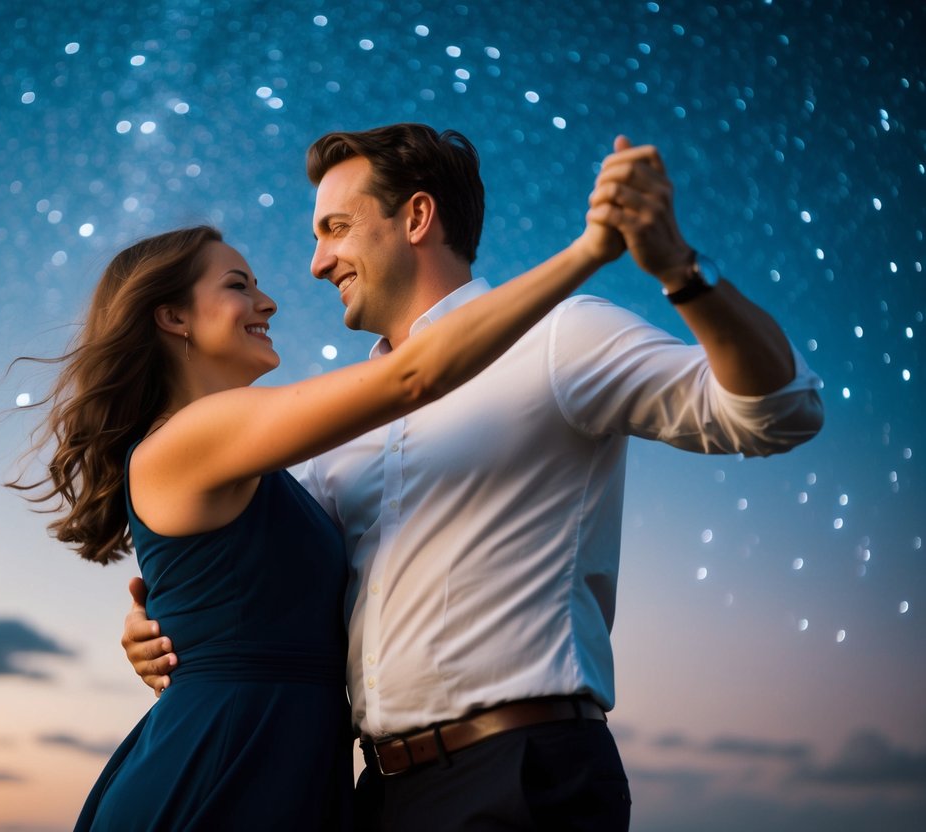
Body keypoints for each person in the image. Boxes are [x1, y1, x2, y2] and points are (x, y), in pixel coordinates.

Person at [122, 125, 825, 830]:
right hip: (375, 797)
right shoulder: (329, 439)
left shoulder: (560, 337)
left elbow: (778, 413)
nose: (314, 263)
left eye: (335, 228)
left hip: (519, 774)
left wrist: (680, 271)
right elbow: (276, 581)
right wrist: (165, 626)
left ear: (418, 217)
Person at [13, 140, 629, 830]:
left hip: (284, 766)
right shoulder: (192, 436)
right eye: (237, 285)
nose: (269, 300)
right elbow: (411, 377)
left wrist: (162, 628)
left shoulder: (266, 470)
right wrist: (588, 251)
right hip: (224, 764)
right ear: (174, 317)